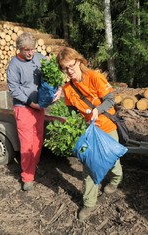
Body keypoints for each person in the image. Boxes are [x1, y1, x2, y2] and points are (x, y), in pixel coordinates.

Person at [56, 47, 123, 220]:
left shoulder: (94, 77)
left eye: (71, 65)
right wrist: (72, 123)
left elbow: (110, 100)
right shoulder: (68, 88)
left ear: (78, 61)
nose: (69, 71)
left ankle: (115, 180)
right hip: (89, 132)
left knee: (112, 162)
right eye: (65, 68)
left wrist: (97, 111)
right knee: (89, 168)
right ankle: (89, 203)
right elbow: (71, 111)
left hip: (107, 127)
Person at [7, 32, 62, 191]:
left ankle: (34, 167)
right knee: (27, 143)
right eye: (27, 50)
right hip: (24, 108)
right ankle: (27, 177)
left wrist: (58, 89)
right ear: (20, 49)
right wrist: (32, 103)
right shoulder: (14, 65)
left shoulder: (38, 57)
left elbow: (51, 74)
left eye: (32, 49)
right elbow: (15, 90)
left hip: (39, 106)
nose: (31, 53)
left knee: (38, 139)